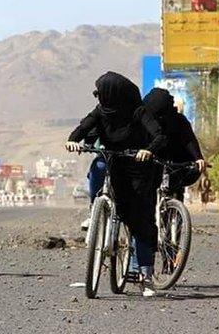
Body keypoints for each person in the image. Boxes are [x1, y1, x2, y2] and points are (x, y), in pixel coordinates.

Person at [65, 72, 167, 297]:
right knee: (98, 168)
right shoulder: (101, 111)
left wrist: (147, 150)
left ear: (114, 94)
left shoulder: (139, 111)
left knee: (140, 221)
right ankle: (96, 210)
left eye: (101, 93)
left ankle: (145, 277)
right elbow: (83, 127)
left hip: (137, 167)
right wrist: (73, 140)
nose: (98, 97)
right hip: (112, 161)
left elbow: (159, 136)